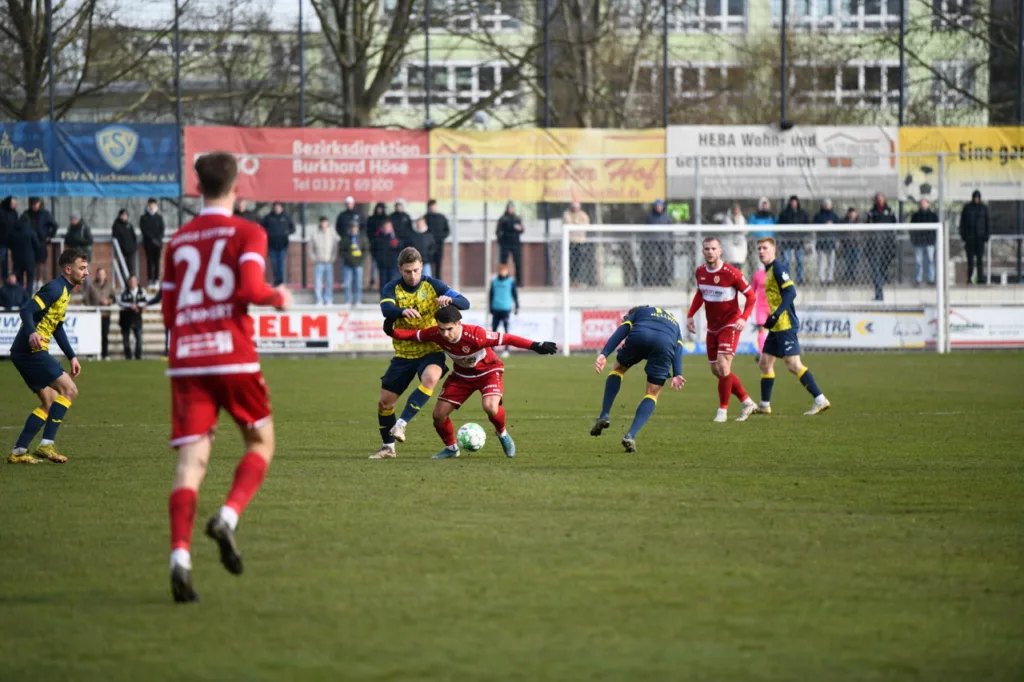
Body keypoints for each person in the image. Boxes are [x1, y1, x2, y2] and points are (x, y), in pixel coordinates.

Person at [160, 151, 292, 603]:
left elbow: (169, 313)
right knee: (261, 443)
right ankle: (228, 517)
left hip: (187, 361)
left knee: (189, 465)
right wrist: (279, 297)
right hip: (233, 358)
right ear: (237, 187)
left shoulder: (177, 241)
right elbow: (252, 289)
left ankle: (180, 557)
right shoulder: (248, 231)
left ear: (198, 187)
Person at [383, 306, 557, 459]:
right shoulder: (436, 334)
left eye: (449, 329)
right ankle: (451, 448)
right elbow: (414, 336)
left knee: (490, 406)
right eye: (442, 329)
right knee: (438, 415)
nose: (445, 334)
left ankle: (502, 433)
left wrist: (536, 345)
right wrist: (391, 332)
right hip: (461, 376)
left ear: (459, 323)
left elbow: (508, 338)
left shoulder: (476, 335)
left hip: (488, 371)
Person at [372, 247, 470, 460]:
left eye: (416, 270)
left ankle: (402, 424)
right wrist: (401, 311)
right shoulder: (392, 288)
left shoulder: (433, 285)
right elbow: (386, 310)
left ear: (422, 267)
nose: (413, 275)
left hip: (430, 349)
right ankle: (388, 448)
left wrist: (449, 300)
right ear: (400, 269)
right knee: (385, 403)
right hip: (404, 353)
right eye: (408, 271)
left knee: (431, 377)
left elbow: (465, 303)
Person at [7, 247, 89, 465]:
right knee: (69, 390)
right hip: (30, 350)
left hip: (25, 351)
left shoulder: (65, 291)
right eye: (82, 268)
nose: (86, 272)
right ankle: (46, 445)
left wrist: (71, 356)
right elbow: (26, 310)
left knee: (50, 401)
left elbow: (58, 328)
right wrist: (32, 332)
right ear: (68, 269)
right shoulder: (54, 288)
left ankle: (19, 451)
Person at [751, 237, 830, 417]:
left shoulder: (778, 268)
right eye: (759, 249)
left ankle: (820, 399)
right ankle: (764, 405)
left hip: (785, 325)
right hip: (776, 327)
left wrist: (776, 314)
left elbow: (791, 292)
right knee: (764, 363)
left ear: (774, 250)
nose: (761, 251)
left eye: (765, 248)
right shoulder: (767, 271)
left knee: (793, 364)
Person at [591, 306, 686, 452]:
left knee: (618, 369)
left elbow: (622, 331)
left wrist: (604, 353)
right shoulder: (674, 322)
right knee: (652, 393)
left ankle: (604, 415)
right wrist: (677, 373)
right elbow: (678, 347)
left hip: (641, 336)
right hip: (664, 344)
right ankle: (630, 435)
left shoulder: (638, 312)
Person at [686, 237, 758, 423]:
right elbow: (700, 294)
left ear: (720, 251)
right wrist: (690, 315)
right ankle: (747, 401)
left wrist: (743, 318)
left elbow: (751, 297)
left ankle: (722, 411)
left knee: (723, 364)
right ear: (703, 252)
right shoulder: (700, 272)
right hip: (713, 327)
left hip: (730, 323)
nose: (710, 252)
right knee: (716, 370)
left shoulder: (731, 273)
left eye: (714, 248)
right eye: (707, 249)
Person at [866, 192, 897, 301]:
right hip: (874, 244)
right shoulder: (871, 211)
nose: (879, 200)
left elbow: (895, 224)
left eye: (881, 198)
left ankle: (884, 278)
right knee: (876, 268)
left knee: (884, 264)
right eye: (877, 198)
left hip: (886, 244)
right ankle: (879, 293)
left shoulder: (890, 210)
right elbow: (868, 225)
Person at [22, 197, 58, 288]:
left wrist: (49, 236)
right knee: (31, 262)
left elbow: (54, 225)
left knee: (40, 262)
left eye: (36, 204)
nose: (34, 206)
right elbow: (21, 224)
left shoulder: (45, 214)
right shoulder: (27, 214)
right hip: (29, 242)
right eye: (33, 204)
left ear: (39, 203)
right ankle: (33, 281)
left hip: (41, 241)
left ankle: (39, 280)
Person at [82, 266, 115, 360]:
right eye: (99, 274)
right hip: (94, 315)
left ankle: (105, 354)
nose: (101, 276)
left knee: (105, 335)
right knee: (92, 336)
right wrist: (90, 308)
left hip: (105, 314)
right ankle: (90, 354)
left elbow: (114, 298)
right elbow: (85, 298)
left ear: (105, 275)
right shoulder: (91, 286)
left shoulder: (109, 287)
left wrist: (108, 302)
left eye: (103, 274)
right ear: (96, 275)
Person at [7, 201, 40, 292]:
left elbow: (9, 243)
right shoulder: (30, 231)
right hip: (29, 259)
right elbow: (36, 244)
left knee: (19, 278)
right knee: (30, 279)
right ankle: (28, 298)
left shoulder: (13, 231)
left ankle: (20, 296)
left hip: (17, 259)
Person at [489, 262, 519, 358]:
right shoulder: (494, 281)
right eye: (501, 270)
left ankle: (506, 349)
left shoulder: (511, 281)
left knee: (506, 329)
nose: (503, 272)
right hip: (496, 307)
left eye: (504, 270)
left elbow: (515, 294)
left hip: (506, 308)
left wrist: (517, 305)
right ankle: (492, 349)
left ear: (507, 271)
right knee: (494, 330)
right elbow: (491, 294)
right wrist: (490, 307)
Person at [959, 189, 990, 284]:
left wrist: (986, 235)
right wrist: (963, 236)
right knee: (970, 260)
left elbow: (987, 223)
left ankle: (980, 278)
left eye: (978, 197)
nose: (976, 199)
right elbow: (962, 223)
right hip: (969, 238)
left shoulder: (984, 208)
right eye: (975, 197)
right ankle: (969, 278)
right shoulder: (967, 208)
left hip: (980, 238)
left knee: (980, 260)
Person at [261, 201, 295, 286]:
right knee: (274, 264)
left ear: (282, 208)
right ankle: (276, 281)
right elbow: (261, 228)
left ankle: (280, 282)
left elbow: (293, 229)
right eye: (275, 206)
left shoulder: (286, 217)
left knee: (281, 265)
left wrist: (286, 232)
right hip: (272, 245)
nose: (277, 208)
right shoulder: (268, 217)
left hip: (282, 245)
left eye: (278, 206)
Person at [777, 195, 809, 284]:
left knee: (800, 260)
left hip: (798, 242)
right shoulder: (784, 213)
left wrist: (802, 237)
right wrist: (784, 237)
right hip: (787, 242)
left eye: (795, 202)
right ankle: (786, 279)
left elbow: (806, 226)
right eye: (792, 202)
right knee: (786, 261)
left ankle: (800, 278)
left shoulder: (802, 213)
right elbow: (780, 226)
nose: (793, 203)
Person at [309, 216, 339, 306]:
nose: (323, 224)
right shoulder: (315, 234)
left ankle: (328, 299)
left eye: (325, 222)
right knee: (318, 282)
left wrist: (333, 258)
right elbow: (310, 249)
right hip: (319, 263)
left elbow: (335, 248)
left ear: (327, 223)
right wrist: (314, 259)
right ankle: (319, 300)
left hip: (328, 262)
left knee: (329, 282)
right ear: (320, 223)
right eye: (322, 222)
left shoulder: (332, 233)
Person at [642, 199, 673, 286]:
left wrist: (671, 243)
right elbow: (646, 231)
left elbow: (671, 231)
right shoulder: (650, 217)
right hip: (652, 242)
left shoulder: (667, 217)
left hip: (664, 242)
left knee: (665, 261)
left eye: (660, 206)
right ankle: (651, 281)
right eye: (657, 206)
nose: (659, 208)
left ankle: (665, 281)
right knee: (652, 262)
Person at [340, 216, 369, 307]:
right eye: (352, 227)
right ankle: (348, 300)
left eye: (355, 227)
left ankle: (357, 300)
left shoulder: (361, 238)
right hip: (347, 264)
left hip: (358, 264)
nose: (354, 229)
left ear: (357, 228)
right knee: (347, 283)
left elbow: (366, 250)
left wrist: (361, 259)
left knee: (358, 283)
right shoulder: (346, 238)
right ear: (350, 228)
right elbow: (341, 250)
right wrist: (347, 258)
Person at [910, 199, 939, 286]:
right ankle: (918, 279)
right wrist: (914, 240)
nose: (923, 204)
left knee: (930, 260)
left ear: (928, 204)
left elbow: (935, 230)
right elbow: (912, 229)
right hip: (919, 242)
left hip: (929, 242)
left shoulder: (933, 216)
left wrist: (933, 240)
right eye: (921, 203)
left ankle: (931, 279)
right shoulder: (915, 216)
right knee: (919, 261)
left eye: (924, 203)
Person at [564, 200, 593, 286]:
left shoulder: (583, 215)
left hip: (580, 241)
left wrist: (576, 224)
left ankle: (576, 280)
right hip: (570, 241)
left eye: (577, 207)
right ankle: (569, 280)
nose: (575, 209)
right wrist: (577, 224)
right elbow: (568, 224)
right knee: (570, 261)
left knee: (579, 261)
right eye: (574, 207)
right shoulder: (567, 214)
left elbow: (586, 224)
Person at [118, 274, 147, 360]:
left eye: (134, 281)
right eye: (131, 281)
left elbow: (146, 301)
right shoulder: (123, 291)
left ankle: (138, 356)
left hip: (137, 318)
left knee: (139, 338)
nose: (132, 283)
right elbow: (119, 302)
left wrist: (138, 306)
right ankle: (128, 356)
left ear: (137, 282)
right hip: (125, 318)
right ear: (128, 282)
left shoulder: (142, 291)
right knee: (126, 339)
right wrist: (129, 305)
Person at [497, 201, 525, 286]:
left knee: (518, 263)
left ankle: (519, 282)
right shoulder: (503, 219)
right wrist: (501, 241)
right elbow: (498, 231)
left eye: (512, 208)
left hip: (515, 243)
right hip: (505, 243)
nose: (511, 210)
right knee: (503, 263)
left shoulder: (517, 218)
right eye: (509, 208)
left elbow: (522, 229)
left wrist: (520, 229)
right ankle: (503, 279)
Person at [372, 216, 401, 295]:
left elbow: (400, 249)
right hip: (382, 265)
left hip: (393, 264)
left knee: (392, 282)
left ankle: (391, 299)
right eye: (386, 226)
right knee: (383, 283)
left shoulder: (395, 237)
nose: (387, 228)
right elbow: (374, 250)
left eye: (389, 226)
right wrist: (378, 259)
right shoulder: (378, 237)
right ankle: (383, 299)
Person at [813, 199, 840, 285]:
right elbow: (814, 225)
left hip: (831, 242)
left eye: (828, 204)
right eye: (825, 204)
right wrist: (824, 224)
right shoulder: (818, 215)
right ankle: (821, 278)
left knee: (831, 261)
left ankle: (830, 278)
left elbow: (839, 226)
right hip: (821, 242)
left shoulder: (834, 216)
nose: (827, 206)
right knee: (821, 261)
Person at [140, 199, 165, 288]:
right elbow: (144, 230)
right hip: (148, 243)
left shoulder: (159, 217)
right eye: (151, 204)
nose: (152, 206)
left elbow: (162, 229)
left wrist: (158, 239)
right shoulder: (144, 217)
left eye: (154, 204)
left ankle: (156, 280)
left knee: (157, 261)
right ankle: (150, 280)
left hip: (158, 244)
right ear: (148, 205)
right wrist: (152, 239)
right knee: (150, 262)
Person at [424, 199, 450, 279]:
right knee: (428, 265)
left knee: (438, 265)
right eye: (431, 206)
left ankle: (438, 283)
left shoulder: (442, 217)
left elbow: (447, 230)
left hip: (439, 244)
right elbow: (422, 231)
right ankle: (428, 283)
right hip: (428, 246)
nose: (433, 208)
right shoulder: (425, 218)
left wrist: (441, 237)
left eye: (434, 206)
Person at [366, 202, 389, 290]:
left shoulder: (386, 219)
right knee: (374, 264)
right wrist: (372, 240)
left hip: (385, 247)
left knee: (383, 266)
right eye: (378, 208)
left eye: (381, 208)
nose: (379, 210)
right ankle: (372, 281)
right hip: (374, 245)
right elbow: (368, 231)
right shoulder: (371, 219)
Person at [720, 202, 748, 271]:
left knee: (739, 264)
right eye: (735, 209)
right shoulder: (727, 219)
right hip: (730, 244)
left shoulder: (742, 219)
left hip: (740, 244)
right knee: (731, 264)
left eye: (737, 209)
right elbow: (726, 230)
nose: (736, 211)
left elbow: (745, 231)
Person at [112, 208, 138, 278]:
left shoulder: (129, 225)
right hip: (122, 252)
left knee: (132, 269)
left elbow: (134, 237)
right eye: (123, 215)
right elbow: (115, 238)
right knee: (123, 269)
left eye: (126, 215)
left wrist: (134, 247)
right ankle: (125, 285)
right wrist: (120, 249)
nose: (124, 216)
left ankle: (133, 284)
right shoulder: (116, 225)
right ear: (120, 216)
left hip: (131, 251)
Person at [840, 207, 863, 284]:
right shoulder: (844, 221)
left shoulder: (859, 221)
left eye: (854, 213)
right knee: (849, 261)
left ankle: (848, 275)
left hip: (857, 244)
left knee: (856, 260)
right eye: (851, 213)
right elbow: (841, 233)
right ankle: (851, 276)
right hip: (847, 245)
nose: (852, 215)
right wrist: (843, 242)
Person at [752, 264, 769, 357]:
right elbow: (752, 291)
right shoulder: (758, 275)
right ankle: (762, 353)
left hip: (774, 306)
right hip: (761, 307)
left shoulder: (777, 274)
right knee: (761, 329)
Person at [0, 196, 16, 281]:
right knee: (3, 260)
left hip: (13, 240)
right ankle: (4, 277)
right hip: (3, 241)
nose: (14, 205)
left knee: (14, 259)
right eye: (12, 204)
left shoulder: (14, 212)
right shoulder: (1, 212)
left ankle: (13, 278)